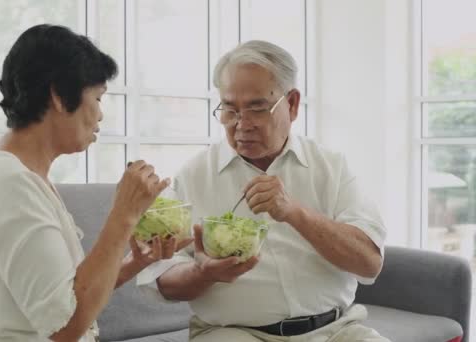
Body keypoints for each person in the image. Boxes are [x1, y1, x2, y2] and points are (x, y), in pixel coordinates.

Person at [0, 24, 190, 342]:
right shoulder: (8, 185)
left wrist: (135, 262)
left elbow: (63, 294)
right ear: (58, 95)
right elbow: (64, 325)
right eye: (97, 97)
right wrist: (124, 216)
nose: (100, 115)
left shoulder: (23, 176)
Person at [137, 40, 389, 341]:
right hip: (233, 333)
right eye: (229, 110)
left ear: (292, 104)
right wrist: (205, 274)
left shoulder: (331, 167)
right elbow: (160, 279)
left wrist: (295, 213)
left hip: (337, 330)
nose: (242, 125)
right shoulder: (192, 177)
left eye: (257, 108)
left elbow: (369, 263)